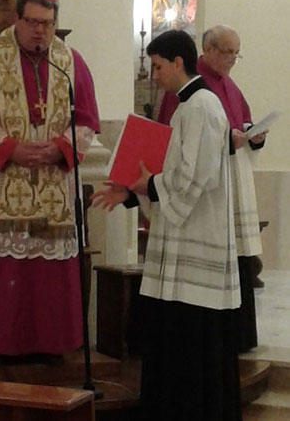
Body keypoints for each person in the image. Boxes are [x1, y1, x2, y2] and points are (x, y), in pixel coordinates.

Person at [92, 30, 241, 421]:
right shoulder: (185, 107)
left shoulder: (203, 106)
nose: (153, 74)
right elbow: (170, 173)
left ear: (178, 62)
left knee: (193, 347)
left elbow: (197, 177)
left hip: (197, 246)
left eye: (157, 66)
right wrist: (129, 192)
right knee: (174, 342)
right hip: (179, 243)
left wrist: (147, 185)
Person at [0, 0, 99, 356]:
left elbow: (86, 122)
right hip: (2, 174)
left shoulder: (70, 62)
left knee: (46, 264)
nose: (40, 31)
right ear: (17, 20)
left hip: (52, 173)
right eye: (33, 22)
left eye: (48, 24)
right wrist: (12, 150)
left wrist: (59, 149)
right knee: (4, 264)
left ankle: (50, 343)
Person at [158, 25, 266, 353]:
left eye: (236, 53)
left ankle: (242, 335)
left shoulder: (227, 86)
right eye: (226, 52)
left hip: (230, 179)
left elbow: (241, 119)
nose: (232, 59)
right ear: (207, 49)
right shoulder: (193, 91)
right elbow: (180, 147)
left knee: (239, 257)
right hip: (205, 194)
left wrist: (253, 134)